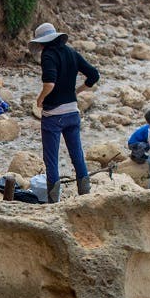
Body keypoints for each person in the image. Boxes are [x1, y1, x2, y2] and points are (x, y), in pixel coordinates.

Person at [31, 22, 99, 201]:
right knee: (77, 154)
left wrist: (40, 99)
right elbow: (94, 75)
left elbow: (49, 83)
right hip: (72, 113)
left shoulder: (48, 55)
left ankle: (54, 202)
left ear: (42, 42)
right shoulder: (71, 52)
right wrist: (77, 91)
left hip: (53, 115)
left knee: (51, 160)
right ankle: (85, 195)